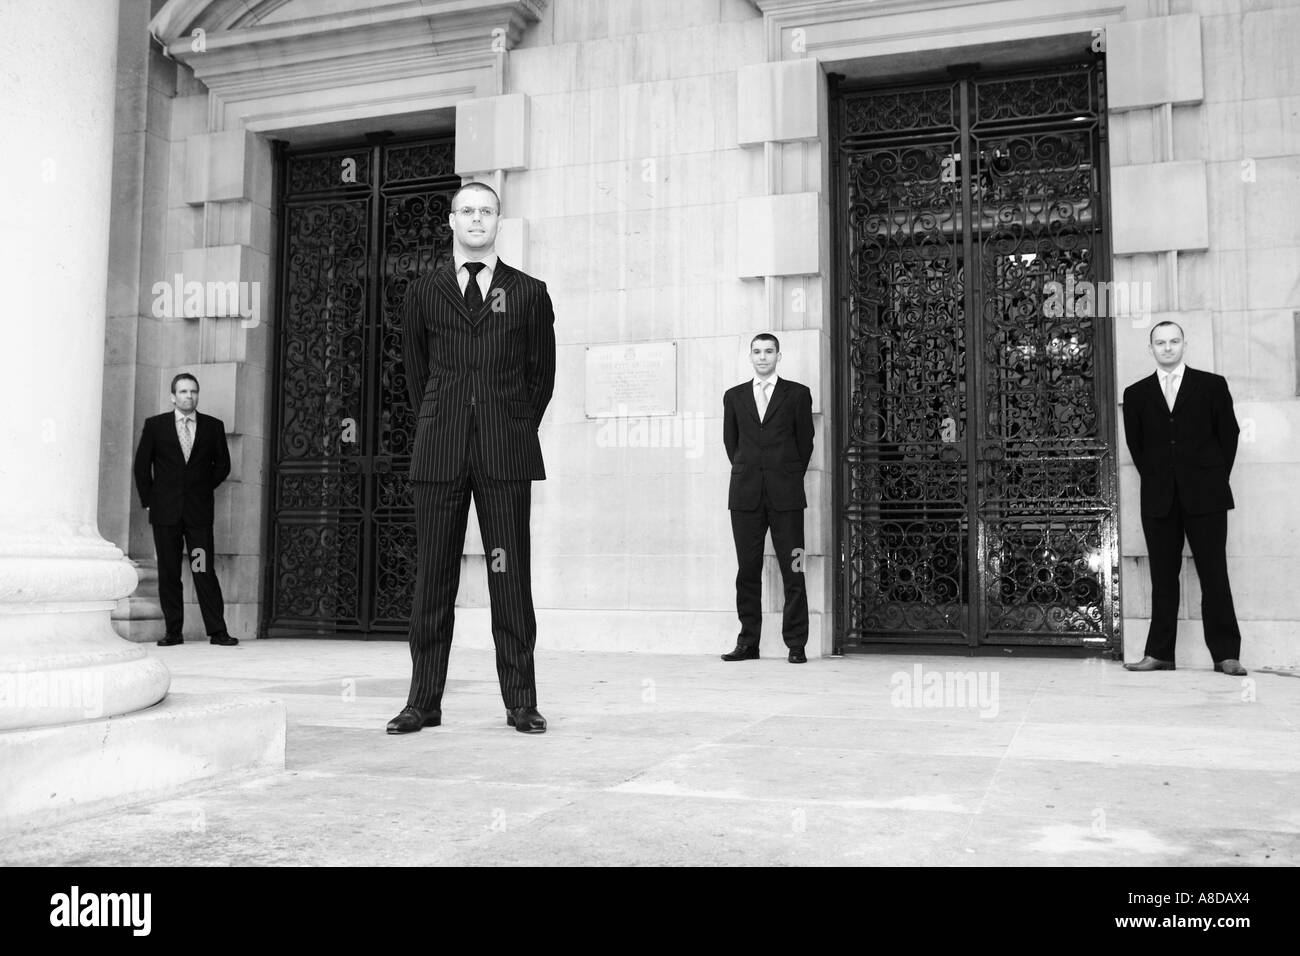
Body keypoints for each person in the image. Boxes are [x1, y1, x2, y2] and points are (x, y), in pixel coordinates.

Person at [387, 181, 556, 735]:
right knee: (433, 578)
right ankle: (423, 701)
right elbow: (415, 373)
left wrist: (509, 425)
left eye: (486, 211)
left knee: (510, 577)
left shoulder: (529, 292)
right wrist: (442, 419)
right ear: (451, 221)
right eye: (467, 211)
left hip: (504, 454)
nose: (476, 220)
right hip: (440, 451)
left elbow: (541, 378)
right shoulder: (422, 292)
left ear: (498, 220)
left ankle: (521, 702)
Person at [1122, 321, 1245, 675]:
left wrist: (1211, 476)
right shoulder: (1136, 393)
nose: (1167, 347)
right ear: (1151, 349)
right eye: (1160, 343)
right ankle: (1159, 653)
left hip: (1207, 495)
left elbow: (1229, 436)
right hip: (1159, 498)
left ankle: (1226, 655)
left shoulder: (1211, 385)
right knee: (1163, 577)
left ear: (1184, 345)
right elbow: (1137, 446)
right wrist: (1162, 477)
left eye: (1174, 341)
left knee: (1214, 574)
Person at [721, 334, 814, 664]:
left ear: (778, 356)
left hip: (787, 497)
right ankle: (748, 643)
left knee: (794, 567)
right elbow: (731, 444)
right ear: (750, 356)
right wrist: (752, 473)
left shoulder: (798, 394)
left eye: (769, 351)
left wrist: (785, 475)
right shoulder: (733, 396)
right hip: (745, 497)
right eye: (757, 351)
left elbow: (805, 444)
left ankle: (796, 644)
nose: (763, 357)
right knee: (747, 570)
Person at [132, 373, 237, 646]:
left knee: (202, 569)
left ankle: (217, 631)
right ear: (173, 396)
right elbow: (142, 467)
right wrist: (150, 501)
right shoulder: (156, 426)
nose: (188, 396)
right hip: (165, 515)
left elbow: (222, 466)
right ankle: (173, 632)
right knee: (169, 573)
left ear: (197, 395)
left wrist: (202, 489)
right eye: (183, 391)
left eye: (193, 391)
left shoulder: (213, 427)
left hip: (198, 516)